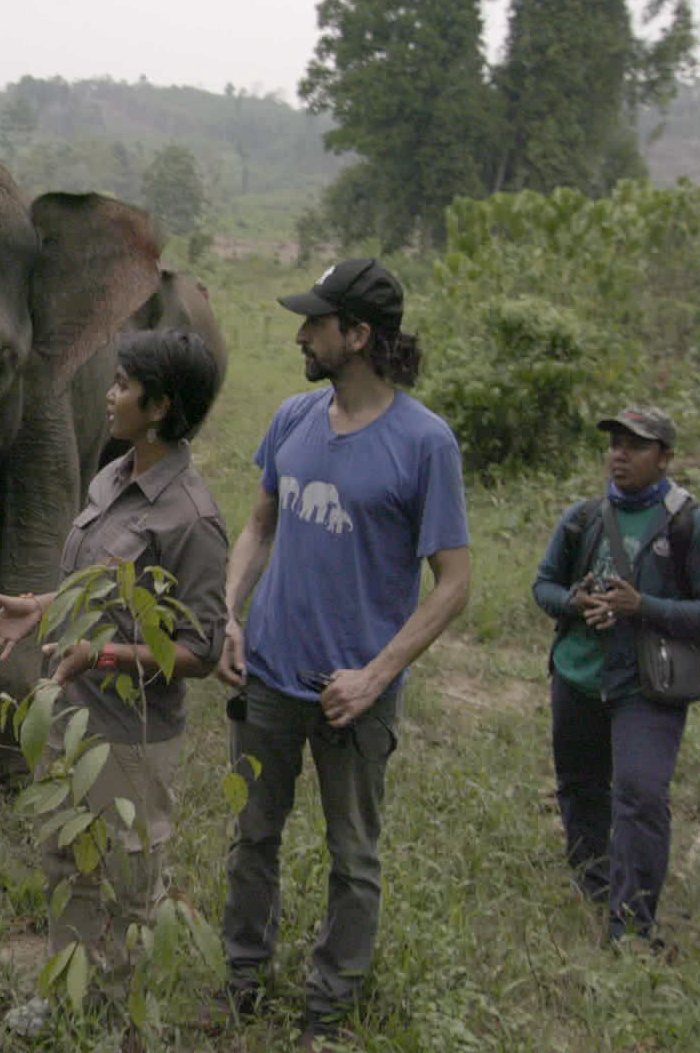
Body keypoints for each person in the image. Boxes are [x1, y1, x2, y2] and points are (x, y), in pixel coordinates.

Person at [212, 258, 471, 1049]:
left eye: (316, 323)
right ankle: (241, 980)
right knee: (253, 834)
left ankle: (329, 1003)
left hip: (350, 692)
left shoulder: (424, 443)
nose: (301, 333)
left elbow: (454, 582)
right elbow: (259, 523)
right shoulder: (293, 417)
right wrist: (229, 614)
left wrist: (376, 676)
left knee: (353, 855)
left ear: (358, 336)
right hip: (270, 677)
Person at [0, 326, 229, 1037]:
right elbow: (103, 591)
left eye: (121, 385)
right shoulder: (113, 478)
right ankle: (67, 996)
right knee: (66, 858)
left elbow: (200, 651)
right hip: (75, 715)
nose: (109, 396)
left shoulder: (192, 518)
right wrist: (42, 607)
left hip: (132, 736)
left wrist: (105, 656)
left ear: (160, 406)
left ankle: (120, 1017)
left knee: (127, 879)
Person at [530, 406, 700, 950]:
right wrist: (577, 603)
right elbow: (544, 586)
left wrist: (642, 606)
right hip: (577, 675)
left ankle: (632, 928)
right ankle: (594, 891)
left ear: (665, 457)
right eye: (615, 443)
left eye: (636, 446)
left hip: (649, 685)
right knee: (580, 790)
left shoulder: (696, 526)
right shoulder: (585, 516)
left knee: (641, 797)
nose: (619, 455)